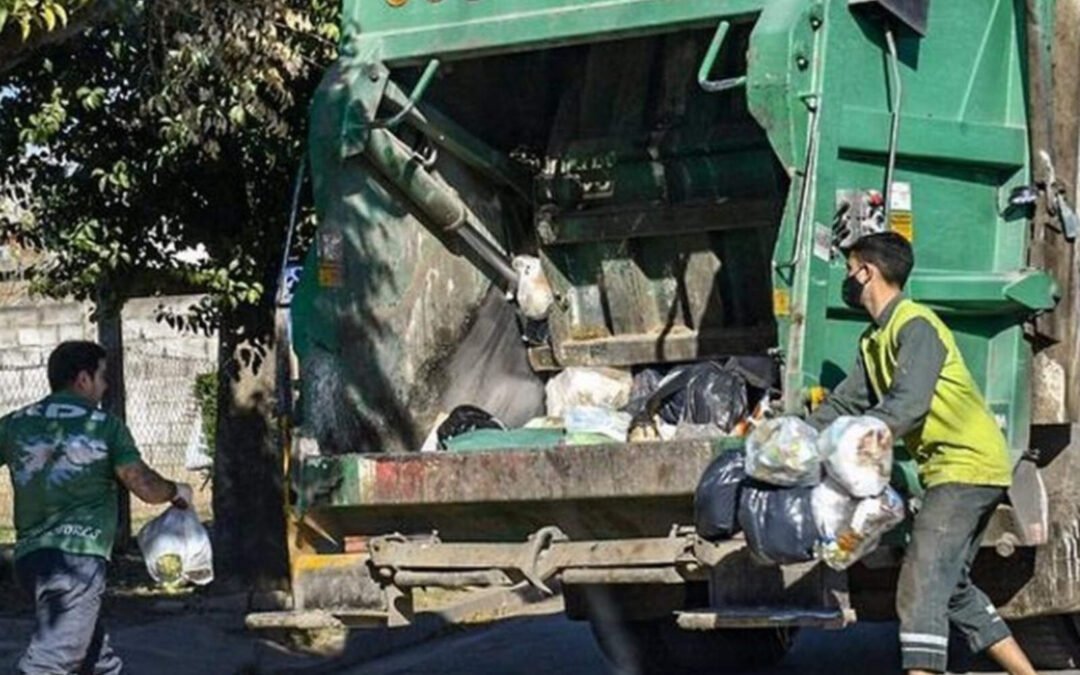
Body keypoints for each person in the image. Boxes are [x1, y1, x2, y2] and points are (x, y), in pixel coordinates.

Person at [807, 233, 1036, 675]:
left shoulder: (915, 325)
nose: (847, 281)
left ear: (866, 272)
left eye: (849, 270)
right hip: (952, 468)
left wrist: (856, 443)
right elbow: (845, 403)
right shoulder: (874, 340)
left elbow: (909, 404)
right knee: (952, 589)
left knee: (921, 580)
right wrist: (797, 435)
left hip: (966, 464)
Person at [0, 341, 195, 674]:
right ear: (82, 379)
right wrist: (177, 491)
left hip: (31, 560)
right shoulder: (105, 425)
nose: (105, 386)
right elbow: (143, 485)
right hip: (77, 557)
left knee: (95, 658)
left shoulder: (14, 423)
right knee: (51, 662)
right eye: (103, 377)